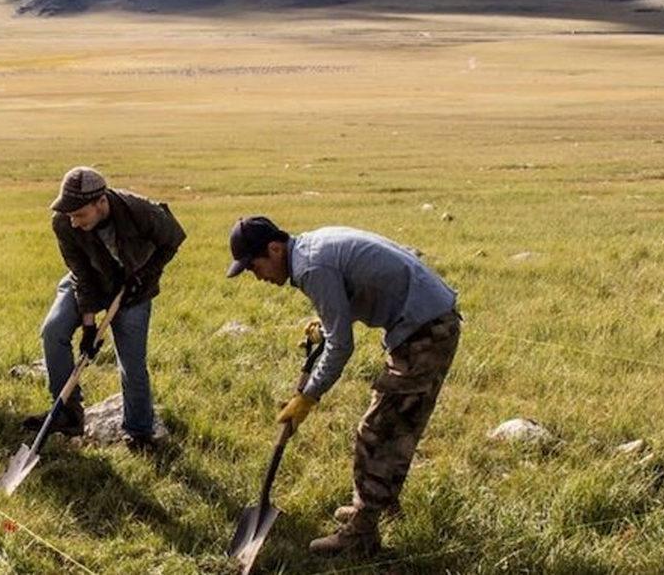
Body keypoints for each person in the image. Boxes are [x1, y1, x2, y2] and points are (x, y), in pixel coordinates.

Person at [226, 217, 461, 556]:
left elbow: (342, 346)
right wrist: (327, 322)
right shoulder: (311, 247)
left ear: (275, 249)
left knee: (378, 431)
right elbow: (355, 285)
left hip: (424, 331)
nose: (257, 276)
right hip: (429, 320)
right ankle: (378, 506)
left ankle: (362, 534)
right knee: (397, 425)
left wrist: (308, 396)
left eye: (254, 267)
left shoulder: (311, 268)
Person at [23, 166, 185, 450]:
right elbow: (80, 272)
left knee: (131, 362)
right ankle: (67, 413)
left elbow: (173, 239)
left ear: (101, 202)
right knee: (53, 330)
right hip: (89, 282)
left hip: (133, 290)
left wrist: (145, 275)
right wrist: (88, 324)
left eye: (80, 215)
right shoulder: (63, 222)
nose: (74, 222)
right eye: (70, 214)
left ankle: (139, 431)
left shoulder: (139, 212)